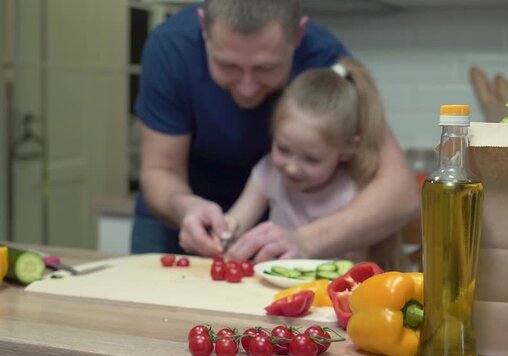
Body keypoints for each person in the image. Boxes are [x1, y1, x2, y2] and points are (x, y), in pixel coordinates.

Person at [132, 0, 419, 261]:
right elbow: (161, 171)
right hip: (177, 215)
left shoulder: (323, 55)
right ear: (203, 28)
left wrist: (305, 240)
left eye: (265, 69)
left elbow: (400, 192)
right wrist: (185, 208)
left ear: (298, 35)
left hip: (283, 231)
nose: (246, 88)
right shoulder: (170, 48)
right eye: (227, 65)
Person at [223, 58, 400, 264]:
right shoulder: (268, 172)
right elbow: (234, 224)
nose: (291, 167)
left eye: (311, 159)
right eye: (282, 149)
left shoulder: (350, 195)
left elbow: (356, 273)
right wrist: (220, 233)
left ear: (347, 150)